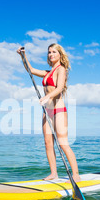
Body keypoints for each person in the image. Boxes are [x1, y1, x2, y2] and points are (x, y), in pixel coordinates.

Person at [17, 44, 81, 183]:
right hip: (47, 111)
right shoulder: (48, 72)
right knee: (48, 143)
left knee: (63, 143)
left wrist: (47, 97)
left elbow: (59, 88)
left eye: (54, 52)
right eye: (49, 52)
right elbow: (31, 70)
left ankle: (75, 174)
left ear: (59, 54)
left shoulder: (61, 70)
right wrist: (23, 56)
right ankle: (53, 173)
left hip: (58, 110)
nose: (51, 54)